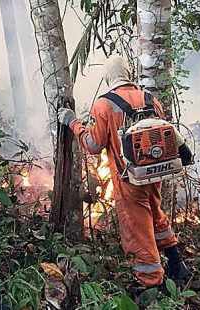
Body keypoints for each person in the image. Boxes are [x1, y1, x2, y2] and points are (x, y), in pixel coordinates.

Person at [57, 55, 190, 288]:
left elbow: (93, 145)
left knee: (138, 230)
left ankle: (152, 284)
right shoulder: (151, 99)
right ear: (128, 74)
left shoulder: (104, 105)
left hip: (129, 179)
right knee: (156, 215)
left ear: (108, 77)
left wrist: (73, 123)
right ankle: (177, 263)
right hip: (155, 172)